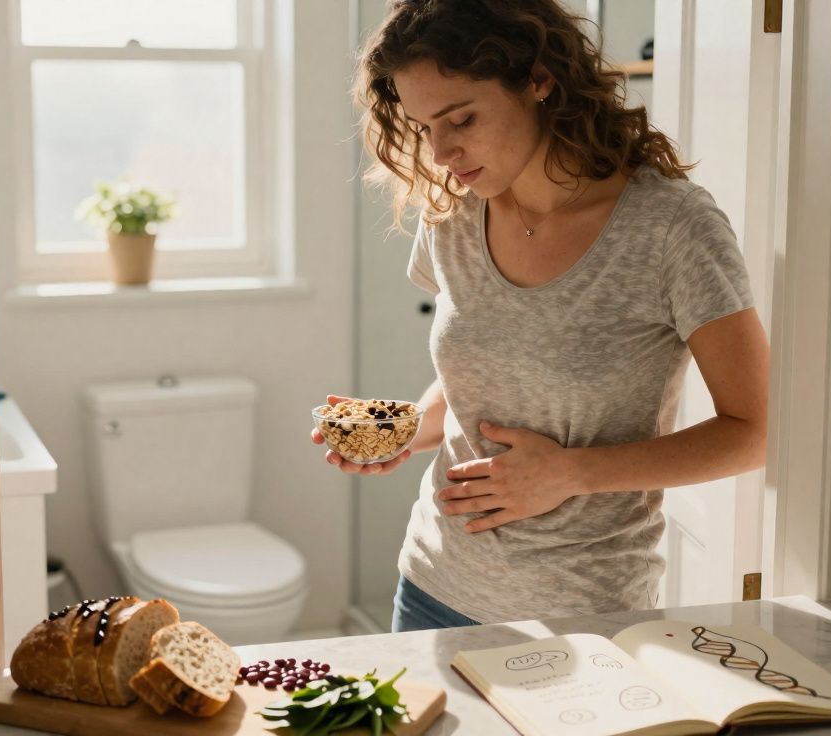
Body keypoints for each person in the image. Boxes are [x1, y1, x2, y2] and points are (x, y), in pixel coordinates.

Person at [312, 0, 770, 632]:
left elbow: (755, 431)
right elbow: (490, 370)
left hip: (583, 614)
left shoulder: (672, 228)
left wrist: (571, 474)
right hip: (431, 585)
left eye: (462, 118)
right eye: (424, 128)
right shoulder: (453, 216)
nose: (441, 153)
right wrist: (413, 425)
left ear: (538, 79)